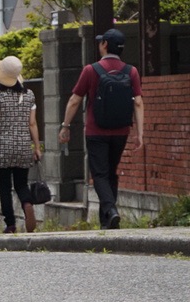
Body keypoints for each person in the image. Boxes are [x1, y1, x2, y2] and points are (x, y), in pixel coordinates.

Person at [58, 28, 146, 230]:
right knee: (111, 173)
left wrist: (65, 126)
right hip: (121, 131)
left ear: (105, 44)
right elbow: (138, 102)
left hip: (96, 131)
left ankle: (111, 209)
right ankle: (107, 222)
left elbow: (74, 100)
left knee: (99, 174)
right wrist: (139, 133)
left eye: (100, 42)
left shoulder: (91, 70)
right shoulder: (131, 71)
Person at [0, 55, 42, 233]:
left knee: (5, 187)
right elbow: (32, 124)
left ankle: (10, 224)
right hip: (23, 146)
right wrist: (37, 147)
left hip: (4, 148)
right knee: (21, 184)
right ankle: (27, 203)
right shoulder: (29, 95)